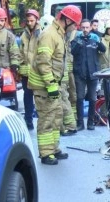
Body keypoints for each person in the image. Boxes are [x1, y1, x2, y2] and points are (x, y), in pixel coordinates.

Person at [28, 5, 82, 165]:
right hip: (44, 87)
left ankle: (53, 149)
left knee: (56, 117)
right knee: (46, 119)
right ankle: (46, 154)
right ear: (66, 20)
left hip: (54, 85)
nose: (75, 28)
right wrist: (51, 84)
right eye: (74, 25)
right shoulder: (49, 35)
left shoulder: (60, 34)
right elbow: (43, 62)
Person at [71, 19, 106, 131]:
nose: (85, 30)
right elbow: (72, 51)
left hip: (93, 73)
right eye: (83, 27)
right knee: (80, 98)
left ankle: (91, 122)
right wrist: (78, 43)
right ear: (80, 28)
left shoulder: (94, 39)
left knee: (92, 98)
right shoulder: (76, 39)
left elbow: (103, 50)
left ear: (91, 27)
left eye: (87, 27)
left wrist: (98, 40)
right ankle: (80, 123)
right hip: (80, 73)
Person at [19, 9, 41, 130]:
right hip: (26, 73)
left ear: (37, 20)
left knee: (39, 98)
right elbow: (20, 53)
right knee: (27, 98)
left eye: (32, 20)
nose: (29, 23)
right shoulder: (23, 35)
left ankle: (41, 122)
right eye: (28, 21)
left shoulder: (42, 34)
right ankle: (29, 121)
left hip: (37, 72)